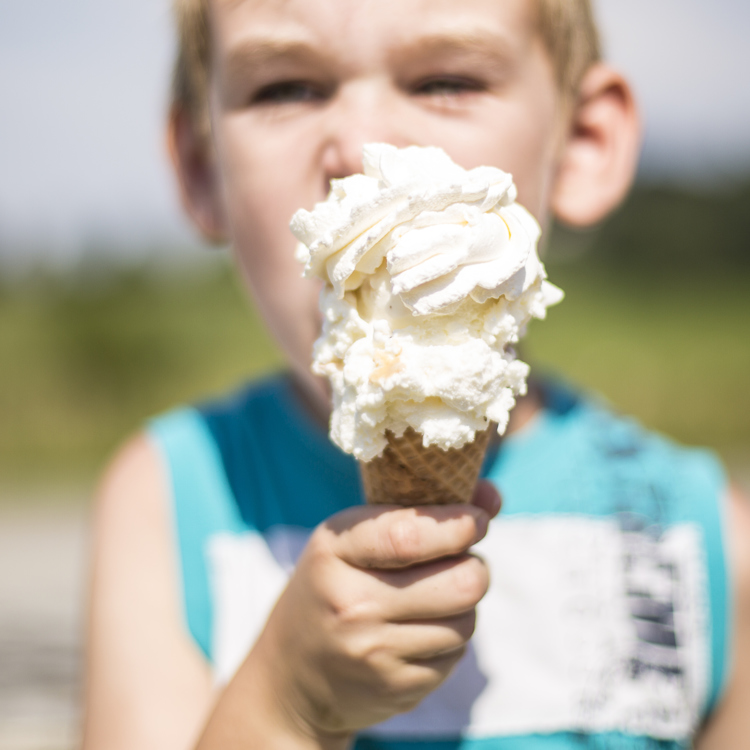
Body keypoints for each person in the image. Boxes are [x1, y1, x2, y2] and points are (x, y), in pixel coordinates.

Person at [82, 0, 750, 748]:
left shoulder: (707, 541)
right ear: (202, 168)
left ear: (582, 144)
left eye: (445, 80)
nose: (366, 149)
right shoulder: (172, 502)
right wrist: (286, 704)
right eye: (286, 89)